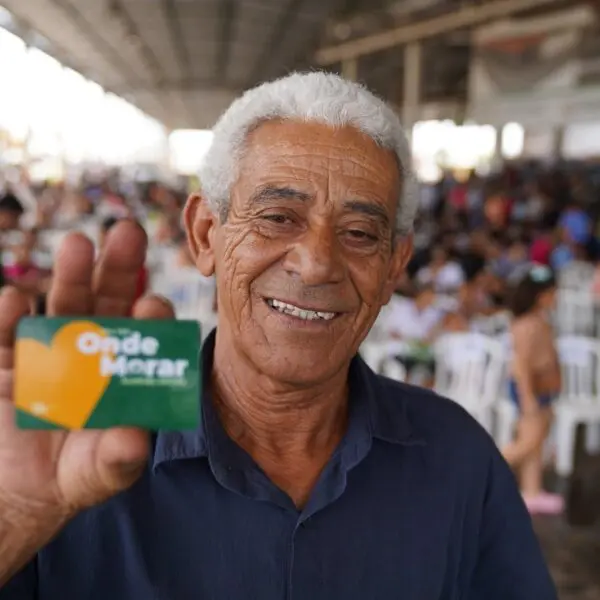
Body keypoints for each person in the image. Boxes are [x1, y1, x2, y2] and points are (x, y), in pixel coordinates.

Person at [0, 72, 556, 599]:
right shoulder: (70, 447)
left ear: (393, 266)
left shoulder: (458, 461)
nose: (316, 263)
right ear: (204, 235)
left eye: (360, 233)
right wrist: (13, 521)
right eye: (278, 217)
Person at [502, 265, 563, 515]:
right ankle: (474, 470)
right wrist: (528, 399)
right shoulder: (527, 324)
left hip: (544, 391)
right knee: (527, 442)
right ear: (541, 295)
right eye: (553, 293)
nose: (556, 298)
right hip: (531, 391)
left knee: (536, 446)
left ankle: (532, 492)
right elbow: (522, 366)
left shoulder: (541, 321)